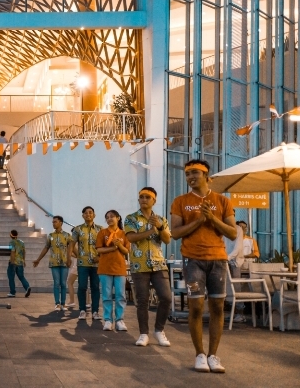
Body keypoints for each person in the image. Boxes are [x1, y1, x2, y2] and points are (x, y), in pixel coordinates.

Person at [170, 159, 237, 373]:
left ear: (207, 176)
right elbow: (175, 233)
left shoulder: (222, 201)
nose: (190, 176)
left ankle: (213, 356)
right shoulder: (180, 201)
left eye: (195, 172)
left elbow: (233, 232)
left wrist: (212, 219)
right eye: (187, 173)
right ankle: (199, 354)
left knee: (217, 307)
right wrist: (199, 220)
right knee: (196, 307)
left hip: (218, 259)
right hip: (192, 260)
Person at [124, 187, 173, 347]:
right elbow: (131, 237)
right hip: (140, 264)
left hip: (159, 263)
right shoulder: (130, 218)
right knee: (142, 300)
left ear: (154, 200)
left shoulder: (161, 219)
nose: (144, 199)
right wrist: (151, 230)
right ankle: (143, 333)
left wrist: (159, 227)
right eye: (141, 197)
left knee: (166, 297)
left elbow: (167, 240)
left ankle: (159, 330)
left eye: (147, 197)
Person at [96, 210, 131, 332]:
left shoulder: (123, 234)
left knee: (121, 295)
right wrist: (113, 247)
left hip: (120, 268)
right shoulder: (102, 232)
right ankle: (108, 320)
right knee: (106, 295)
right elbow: (99, 250)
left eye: (112, 217)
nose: (109, 219)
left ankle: (120, 320)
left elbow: (126, 251)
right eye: (107, 217)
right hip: (105, 267)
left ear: (118, 218)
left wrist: (119, 246)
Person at [70, 206, 103, 320]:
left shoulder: (100, 229)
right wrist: (75, 255)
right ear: (83, 215)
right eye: (86, 213)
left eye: (90, 213)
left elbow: (104, 245)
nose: (88, 214)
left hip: (96, 264)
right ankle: (82, 310)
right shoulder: (77, 229)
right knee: (82, 286)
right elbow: (72, 244)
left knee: (95, 287)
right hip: (82, 263)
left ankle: (95, 312)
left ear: (94, 215)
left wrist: (100, 257)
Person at [33, 216, 71, 312]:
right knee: (56, 283)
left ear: (61, 223)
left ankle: (63, 303)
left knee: (63, 283)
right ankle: (57, 303)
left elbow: (71, 248)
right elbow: (46, 248)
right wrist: (38, 259)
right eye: (53, 222)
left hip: (64, 262)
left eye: (55, 222)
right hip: (54, 263)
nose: (53, 224)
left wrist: (76, 257)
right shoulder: (50, 236)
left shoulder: (67, 235)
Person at [225, 224, 246, 323]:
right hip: (224, 260)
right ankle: (232, 313)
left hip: (236, 261)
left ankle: (240, 313)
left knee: (237, 287)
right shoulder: (220, 226)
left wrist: (228, 257)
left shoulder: (238, 229)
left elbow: (238, 248)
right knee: (226, 287)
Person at [6, 230, 31, 298]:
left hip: (13, 262)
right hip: (20, 262)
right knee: (21, 277)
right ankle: (27, 287)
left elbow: (13, 252)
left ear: (11, 235)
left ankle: (12, 292)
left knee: (11, 277)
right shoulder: (21, 242)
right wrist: (24, 261)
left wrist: (12, 261)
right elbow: (24, 252)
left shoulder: (12, 242)